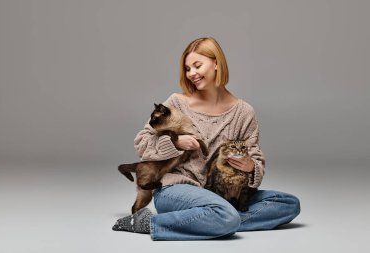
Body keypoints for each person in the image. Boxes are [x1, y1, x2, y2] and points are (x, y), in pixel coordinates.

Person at [113, 37, 300, 241]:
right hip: (176, 190)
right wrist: (175, 143)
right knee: (226, 215)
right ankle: (150, 223)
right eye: (187, 68)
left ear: (216, 63)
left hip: (222, 193)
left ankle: (210, 218)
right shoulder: (176, 103)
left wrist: (250, 167)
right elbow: (142, 142)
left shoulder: (244, 112)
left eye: (197, 65)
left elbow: (256, 162)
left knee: (288, 204)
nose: (191, 73)